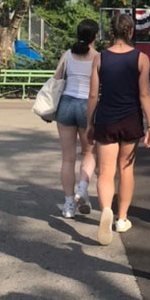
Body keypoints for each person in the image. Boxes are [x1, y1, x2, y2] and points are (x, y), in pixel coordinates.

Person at [86, 13, 150, 244]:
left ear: (112, 32)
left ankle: (106, 209)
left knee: (106, 172)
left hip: (106, 118)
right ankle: (122, 218)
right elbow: (144, 94)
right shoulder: (141, 58)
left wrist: (89, 123)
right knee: (126, 169)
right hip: (131, 119)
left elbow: (93, 95)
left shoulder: (100, 58)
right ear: (131, 31)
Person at [54, 19, 99, 219]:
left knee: (67, 158)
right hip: (87, 106)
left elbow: (56, 79)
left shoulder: (67, 55)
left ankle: (69, 204)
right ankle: (83, 187)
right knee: (89, 153)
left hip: (66, 104)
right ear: (95, 36)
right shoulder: (98, 57)